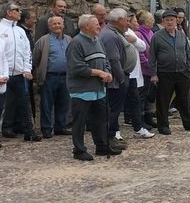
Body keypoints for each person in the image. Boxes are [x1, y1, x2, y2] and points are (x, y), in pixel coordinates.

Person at [67, 14, 117, 160]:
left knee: (100, 119)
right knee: (80, 122)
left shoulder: (97, 40)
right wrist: (98, 72)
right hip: (81, 91)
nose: (99, 26)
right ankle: (79, 150)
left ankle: (102, 146)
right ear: (86, 26)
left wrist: (107, 72)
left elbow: (105, 60)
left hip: (98, 90)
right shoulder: (76, 43)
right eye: (96, 24)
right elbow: (76, 67)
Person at [149, 10, 190, 135]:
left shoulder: (181, 35)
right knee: (163, 100)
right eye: (167, 20)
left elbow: (188, 53)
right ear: (163, 22)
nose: (169, 22)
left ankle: (189, 123)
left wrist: (188, 68)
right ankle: (163, 126)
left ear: (176, 21)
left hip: (182, 72)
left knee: (184, 99)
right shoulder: (157, 36)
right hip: (165, 73)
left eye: (172, 20)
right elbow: (152, 57)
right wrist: (153, 74)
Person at [0, 2, 38, 141]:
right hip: (3, 74)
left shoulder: (20, 31)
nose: (20, 12)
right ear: (9, 12)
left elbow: (27, 52)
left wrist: (27, 68)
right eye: (17, 10)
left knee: (24, 103)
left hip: (20, 73)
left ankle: (28, 131)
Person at [32, 16, 72, 139]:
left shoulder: (69, 40)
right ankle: (46, 128)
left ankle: (60, 127)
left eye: (59, 23)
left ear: (63, 25)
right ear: (49, 26)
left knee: (64, 103)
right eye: (54, 24)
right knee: (47, 104)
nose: (57, 26)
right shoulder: (43, 41)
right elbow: (35, 59)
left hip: (65, 77)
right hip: (49, 77)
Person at [99, 8, 133, 151]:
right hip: (115, 81)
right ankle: (107, 139)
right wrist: (121, 79)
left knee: (114, 110)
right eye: (126, 20)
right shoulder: (110, 35)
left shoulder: (113, 33)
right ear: (119, 20)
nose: (128, 23)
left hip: (118, 78)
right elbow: (114, 60)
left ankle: (111, 137)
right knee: (112, 111)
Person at [124, 13, 154, 139]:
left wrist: (135, 40)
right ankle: (133, 122)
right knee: (133, 99)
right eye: (135, 21)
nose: (137, 23)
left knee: (138, 99)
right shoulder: (123, 33)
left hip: (135, 72)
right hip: (128, 72)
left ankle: (139, 125)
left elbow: (143, 46)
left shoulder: (133, 33)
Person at [135, 11, 157, 128]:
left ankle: (149, 117)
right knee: (142, 96)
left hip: (151, 69)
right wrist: (148, 64)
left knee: (150, 95)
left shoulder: (151, 33)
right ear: (145, 21)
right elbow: (140, 54)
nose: (153, 22)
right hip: (144, 70)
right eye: (150, 20)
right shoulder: (138, 34)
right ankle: (141, 119)